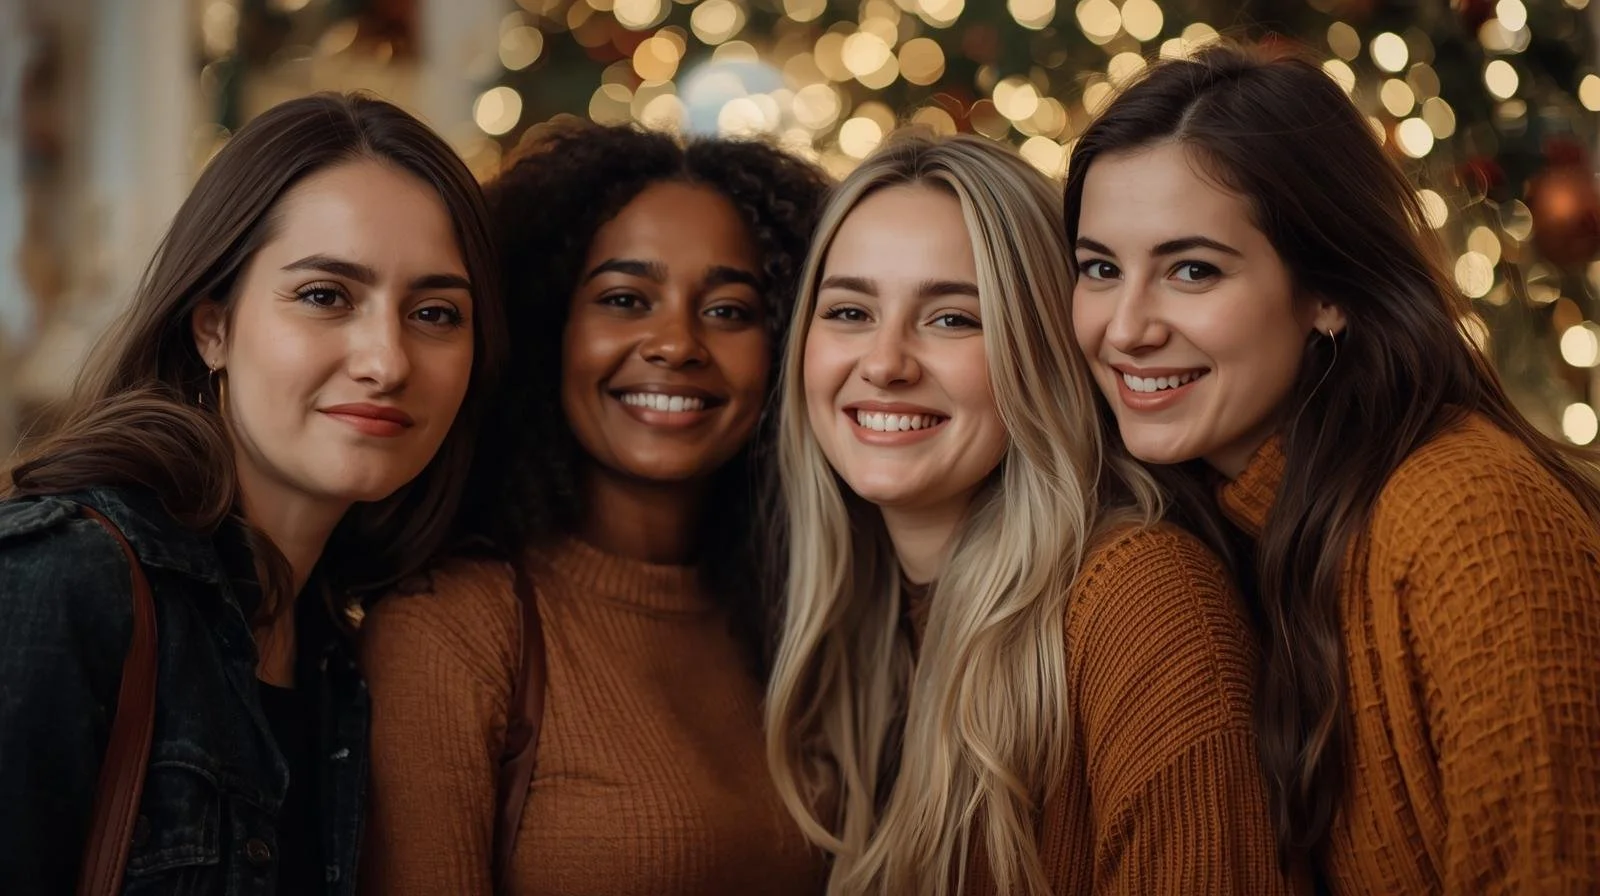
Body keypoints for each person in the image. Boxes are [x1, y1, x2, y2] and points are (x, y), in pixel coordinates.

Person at [1065, 43, 1600, 893]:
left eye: (1191, 270)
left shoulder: (1468, 519)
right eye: (1100, 268)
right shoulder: (1210, 528)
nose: (1125, 328)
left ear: (1328, 292)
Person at [764, 132, 1296, 895]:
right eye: (849, 311)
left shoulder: (1141, 602)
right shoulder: (861, 627)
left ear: (1040, 352)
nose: (884, 363)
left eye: (952, 320)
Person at [0, 93, 504, 895]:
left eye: (435, 313)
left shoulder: (340, 658)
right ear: (213, 326)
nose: (387, 360)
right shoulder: (60, 578)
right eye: (325, 296)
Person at [359, 119, 832, 895]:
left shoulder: (801, 614)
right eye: (625, 298)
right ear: (552, 330)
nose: (676, 342)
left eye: (729, 311)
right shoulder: (453, 628)